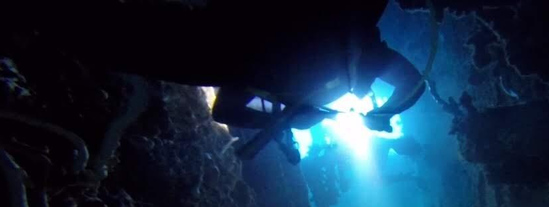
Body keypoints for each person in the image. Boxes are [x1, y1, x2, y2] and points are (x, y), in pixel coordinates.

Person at [9, 0, 426, 135]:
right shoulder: (361, 51)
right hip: (212, 48)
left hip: (212, 40)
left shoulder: (357, 45)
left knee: (104, 34)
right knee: (102, 38)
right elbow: (228, 110)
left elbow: (226, 109)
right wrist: (379, 115)